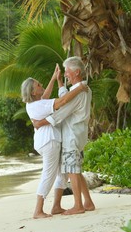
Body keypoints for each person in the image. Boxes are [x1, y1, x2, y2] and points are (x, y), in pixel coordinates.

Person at [21, 63, 88, 219]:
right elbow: (61, 102)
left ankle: (56, 206)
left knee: (62, 174)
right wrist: (79, 88)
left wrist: (54, 78)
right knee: (49, 174)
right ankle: (38, 210)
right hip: (49, 142)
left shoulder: (36, 103)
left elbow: (45, 97)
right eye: (39, 84)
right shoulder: (37, 106)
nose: (42, 85)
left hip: (51, 141)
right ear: (33, 91)